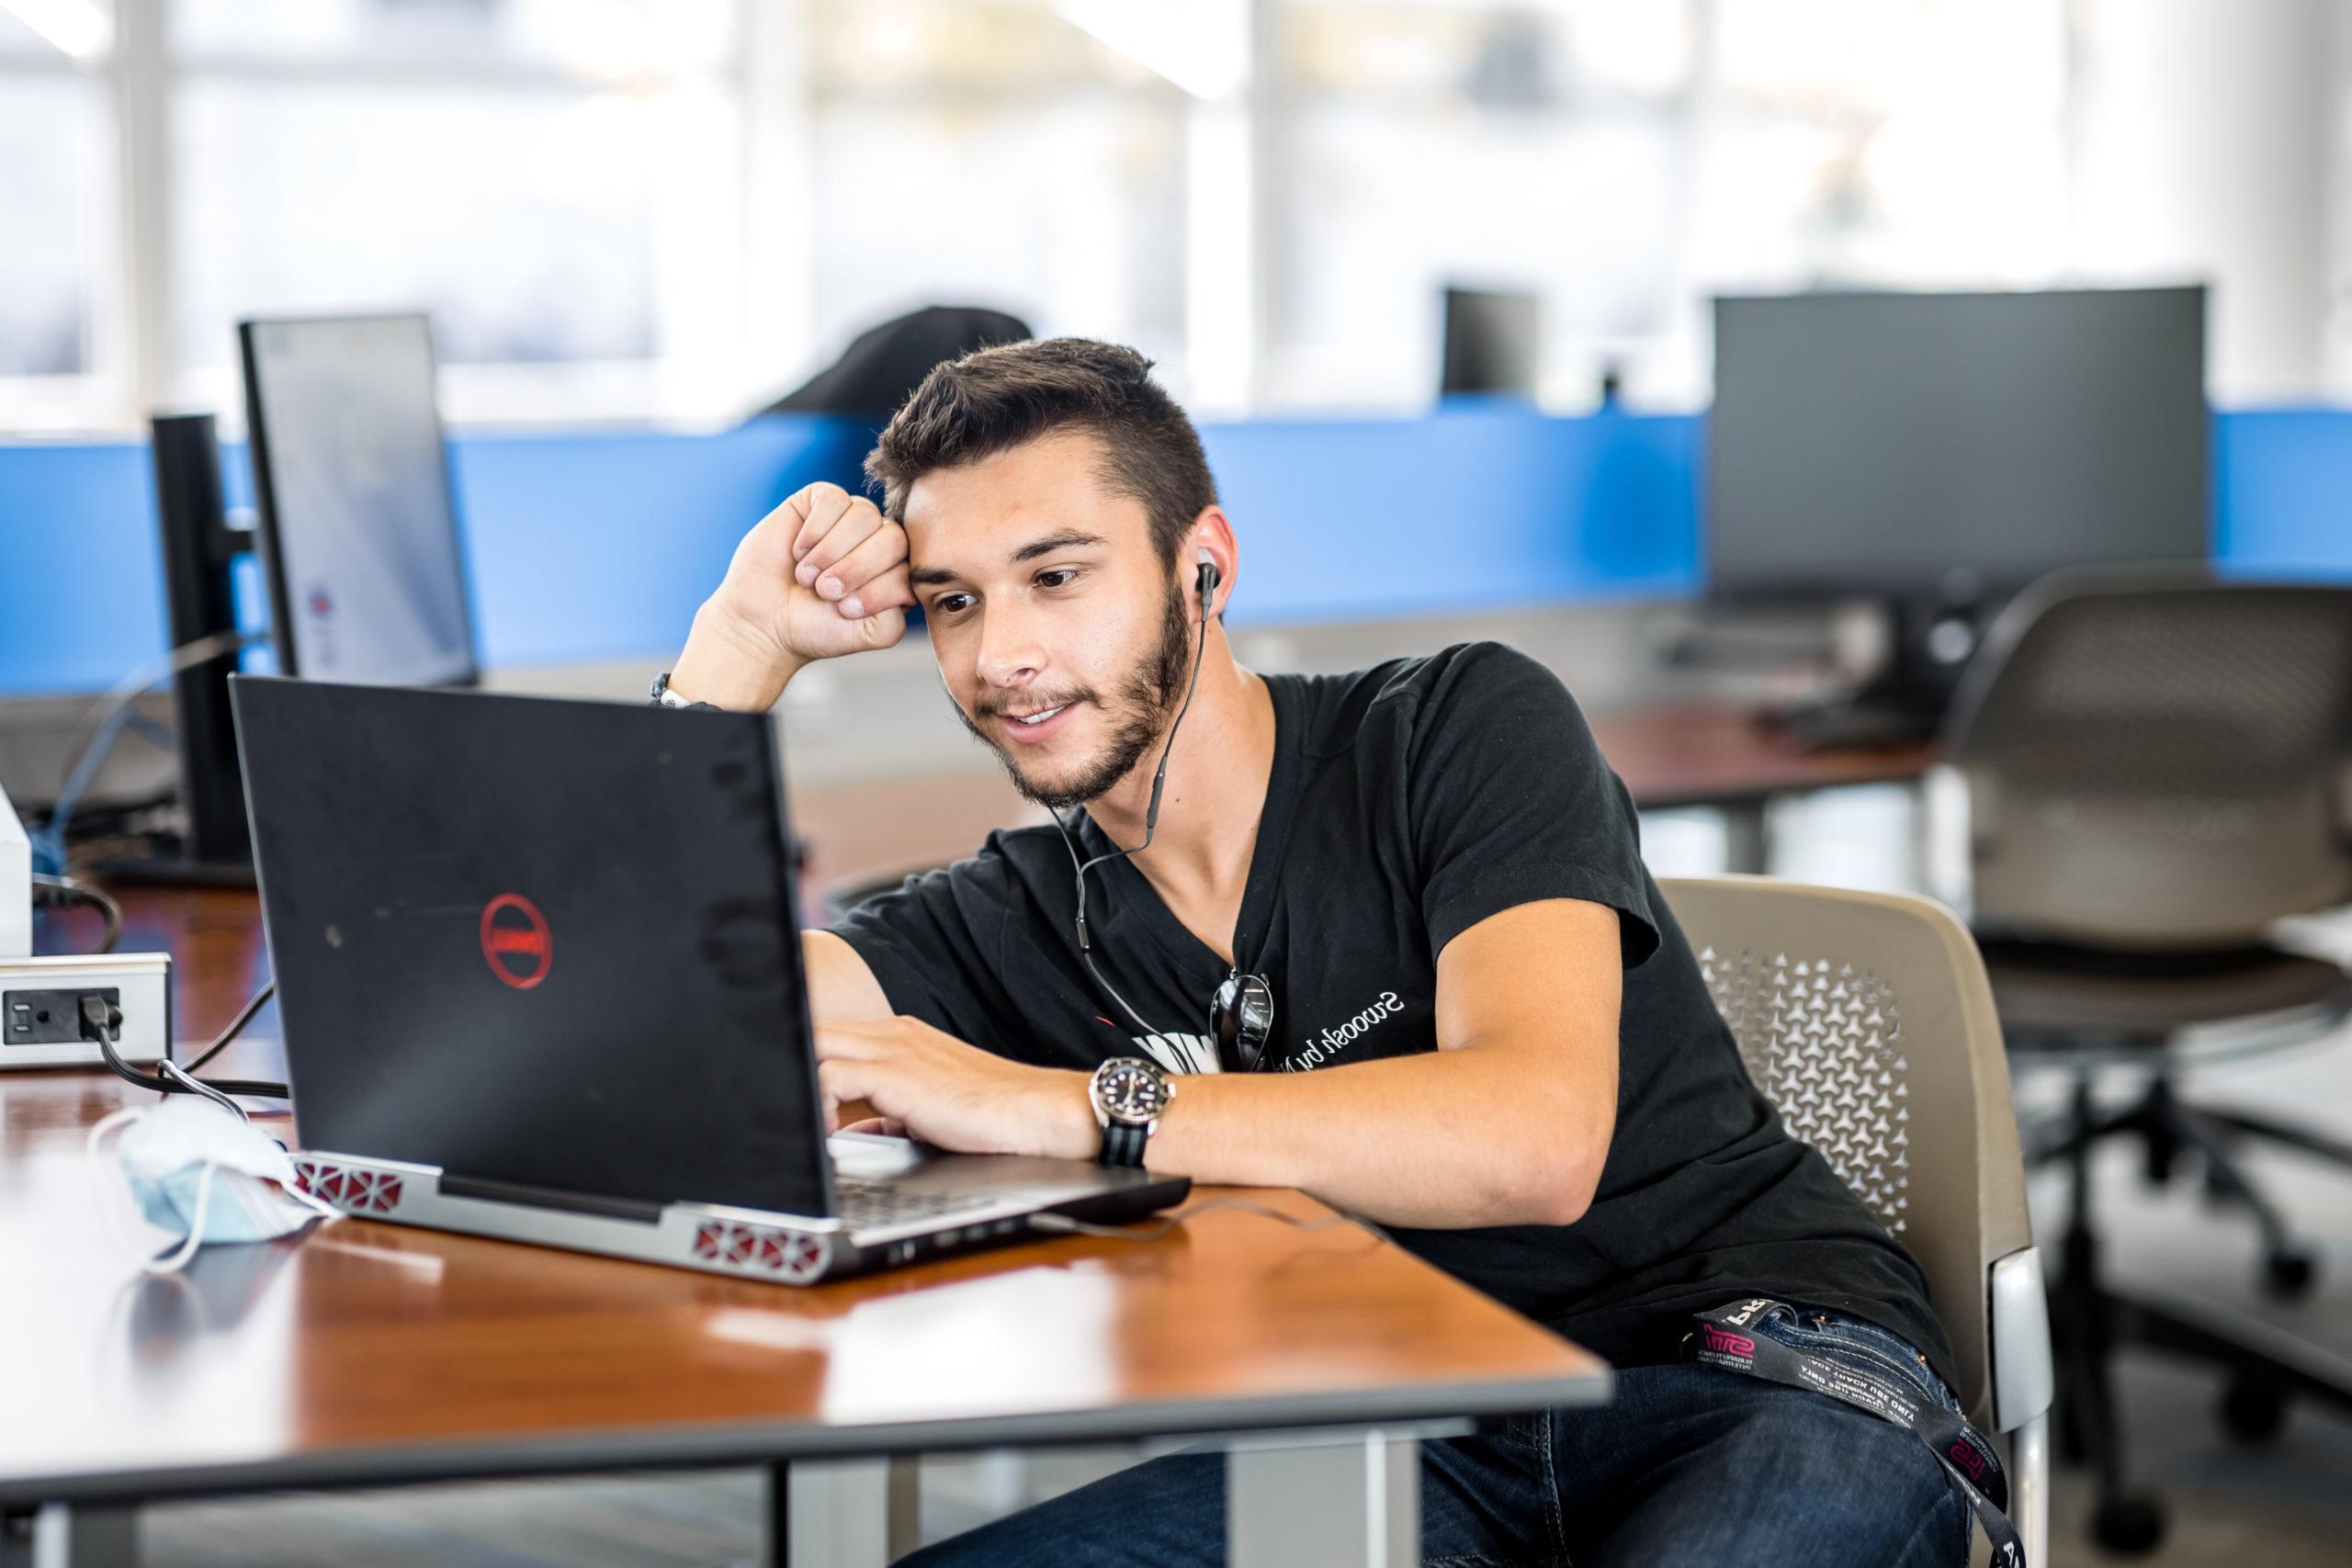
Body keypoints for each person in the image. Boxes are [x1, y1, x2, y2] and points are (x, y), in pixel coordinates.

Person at [663, 338, 1973, 1566]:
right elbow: (654, 1025)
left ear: (1203, 566)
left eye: (1058, 577)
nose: (1004, 654)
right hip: (1409, 1439)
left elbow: (1533, 1141)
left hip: (1756, 1371)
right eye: (955, 602)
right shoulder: (997, 918)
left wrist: (1075, 1109)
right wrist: (737, 650)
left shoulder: (1456, 728)